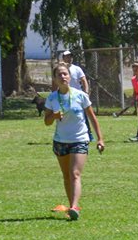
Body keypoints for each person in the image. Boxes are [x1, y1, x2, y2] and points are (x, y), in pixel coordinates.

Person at [44, 62, 104, 221]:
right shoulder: (51, 98)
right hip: (60, 141)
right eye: (59, 75)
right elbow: (47, 121)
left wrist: (100, 139)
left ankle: (75, 206)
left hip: (80, 139)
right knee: (66, 176)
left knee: (75, 173)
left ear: (70, 77)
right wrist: (54, 116)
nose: (63, 77)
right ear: (55, 80)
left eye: (65, 74)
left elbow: (92, 118)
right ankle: (71, 207)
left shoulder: (80, 96)